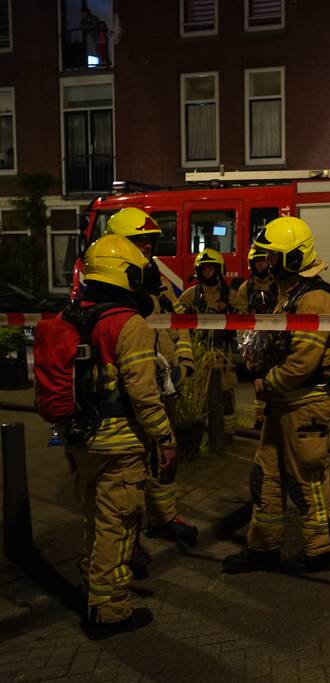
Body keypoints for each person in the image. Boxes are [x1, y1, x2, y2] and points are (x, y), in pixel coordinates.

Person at [222, 217, 330, 575]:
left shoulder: (316, 297)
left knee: (307, 479)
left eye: (275, 256)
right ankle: (263, 547)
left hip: (306, 401)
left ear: (295, 256)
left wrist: (267, 382)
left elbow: (303, 361)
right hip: (285, 401)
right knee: (266, 476)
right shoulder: (292, 293)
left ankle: (321, 552)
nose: (269, 263)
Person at [72, 234, 176, 639]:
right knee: (117, 525)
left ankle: (92, 591)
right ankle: (110, 610)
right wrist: (164, 438)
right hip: (121, 443)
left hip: (82, 439)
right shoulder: (128, 324)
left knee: (95, 520)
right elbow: (143, 393)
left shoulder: (75, 315)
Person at [104, 208, 198, 550]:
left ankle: (162, 518)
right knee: (131, 467)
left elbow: (178, 322)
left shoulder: (157, 281)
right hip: (131, 389)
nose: (146, 247)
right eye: (137, 240)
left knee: (164, 454)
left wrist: (184, 362)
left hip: (164, 384)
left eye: (149, 241)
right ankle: (128, 540)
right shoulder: (109, 287)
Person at [178, 249, 238, 436]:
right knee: (200, 392)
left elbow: (245, 320)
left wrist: (230, 311)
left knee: (225, 393)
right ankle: (203, 433)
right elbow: (176, 321)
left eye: (211, 268)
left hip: (223, 354)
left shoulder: (231, 295)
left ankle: (227, 434)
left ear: (219, 270)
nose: (208, 272)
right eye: (204, 269)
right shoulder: (189, 296)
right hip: (200, 353)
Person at [234, 246, 278, 430]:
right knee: (258, 380)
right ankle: (260, 418)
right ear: (252, 265)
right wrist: (246, 346)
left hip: (276, 336)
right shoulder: (246, 288)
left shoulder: (277, 284)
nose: (261, 265)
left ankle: (275, 417)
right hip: (255, 339)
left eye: (263, 261)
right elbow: (241, 316)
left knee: (276, 377)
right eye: (257, 262)